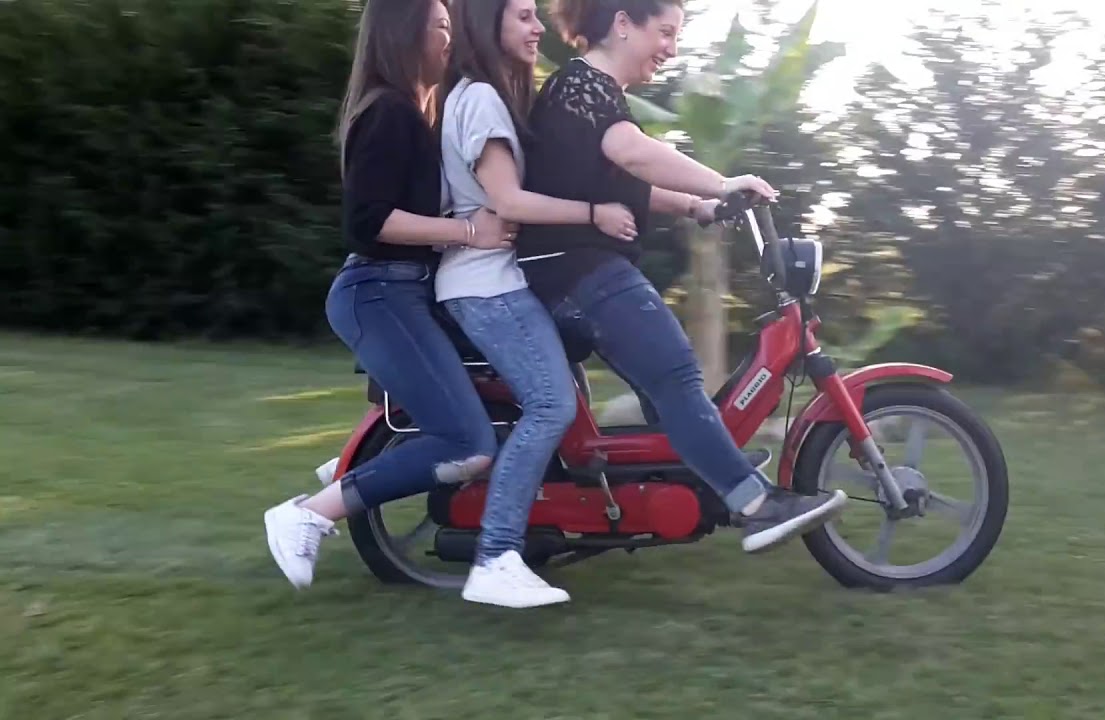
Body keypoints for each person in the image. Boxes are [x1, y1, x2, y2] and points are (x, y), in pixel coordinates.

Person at [516, 0, 851, 554]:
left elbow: (626, 182)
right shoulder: (584, 87)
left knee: (661, 380)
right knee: (673, 372)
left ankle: (695, 475)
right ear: (623, 23)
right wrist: (722, 183)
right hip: (576, 272)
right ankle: (755, 503)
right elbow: (635, 154)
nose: (671, 47)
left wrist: (697, 206)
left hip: (571, 271)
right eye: (665, 32)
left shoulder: (586, 93)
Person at [263, 0, 511, 590]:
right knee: (467, 444)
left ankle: (362, 462)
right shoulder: (390, 113)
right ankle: (307, 515)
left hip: (406, 295)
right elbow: (369, 221)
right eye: (442, 28)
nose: (451, 41)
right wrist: (472, 231)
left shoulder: (418, 115)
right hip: (379, 293)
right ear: (406, 34)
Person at [433, 0, 638, 608]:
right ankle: (495, 558)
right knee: (550, 405)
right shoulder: (481, 99)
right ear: (486, 23)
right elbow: (510, 202)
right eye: (523, 15)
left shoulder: (499, 98)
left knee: (586, 369)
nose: (538, 27)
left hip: (503, 279)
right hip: (482, 284)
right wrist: (595, 214)